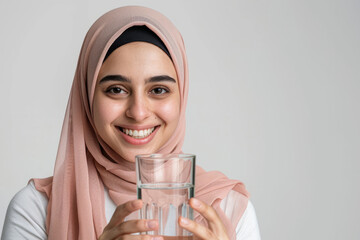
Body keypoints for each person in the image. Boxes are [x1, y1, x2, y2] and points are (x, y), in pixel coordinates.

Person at [1, 6, 261, 240]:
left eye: (158, 90)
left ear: (182, 95)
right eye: (116, 89)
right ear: (87, 96)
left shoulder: (228, 209)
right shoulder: (37, 209)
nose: (138, 112)